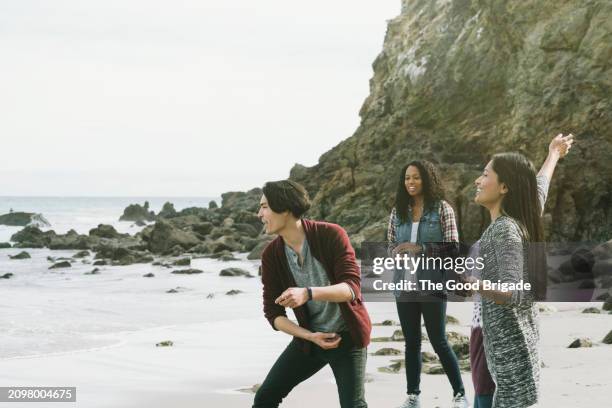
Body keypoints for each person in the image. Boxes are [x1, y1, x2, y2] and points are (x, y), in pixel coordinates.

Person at [466, 134, 574, 408]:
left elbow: (510, 292)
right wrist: (553, 155)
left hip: (497, 341)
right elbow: (538, 188)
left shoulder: (504, 231)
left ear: (503, 187)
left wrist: (470, 282)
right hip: (503, 335)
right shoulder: (522, 218)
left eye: (484, 174)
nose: (478, 181)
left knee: (487, 401)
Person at [253, 179, 372, 408]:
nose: (260, 213)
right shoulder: (272, 255)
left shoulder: (330, 235)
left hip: (347, 338)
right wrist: (309, 336)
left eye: (265, 206)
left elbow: (351, 288)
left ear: (285, 209)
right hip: (310, 339)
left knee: (353, 405)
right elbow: (273, 314)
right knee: (265, 398)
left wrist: (308, 293)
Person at [387, 161, 468, 408]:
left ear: (427, 180)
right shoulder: (397, 212)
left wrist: (420, 248)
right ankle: (413, 396)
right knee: (411, 342)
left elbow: (453, 248)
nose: (411, 183)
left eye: (416, 178)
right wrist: (395, 252)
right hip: (404, 286)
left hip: (432, 284)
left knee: (439, 340)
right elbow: (390, 245)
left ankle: (460, 394)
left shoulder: (442, 209)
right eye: (407, 178)